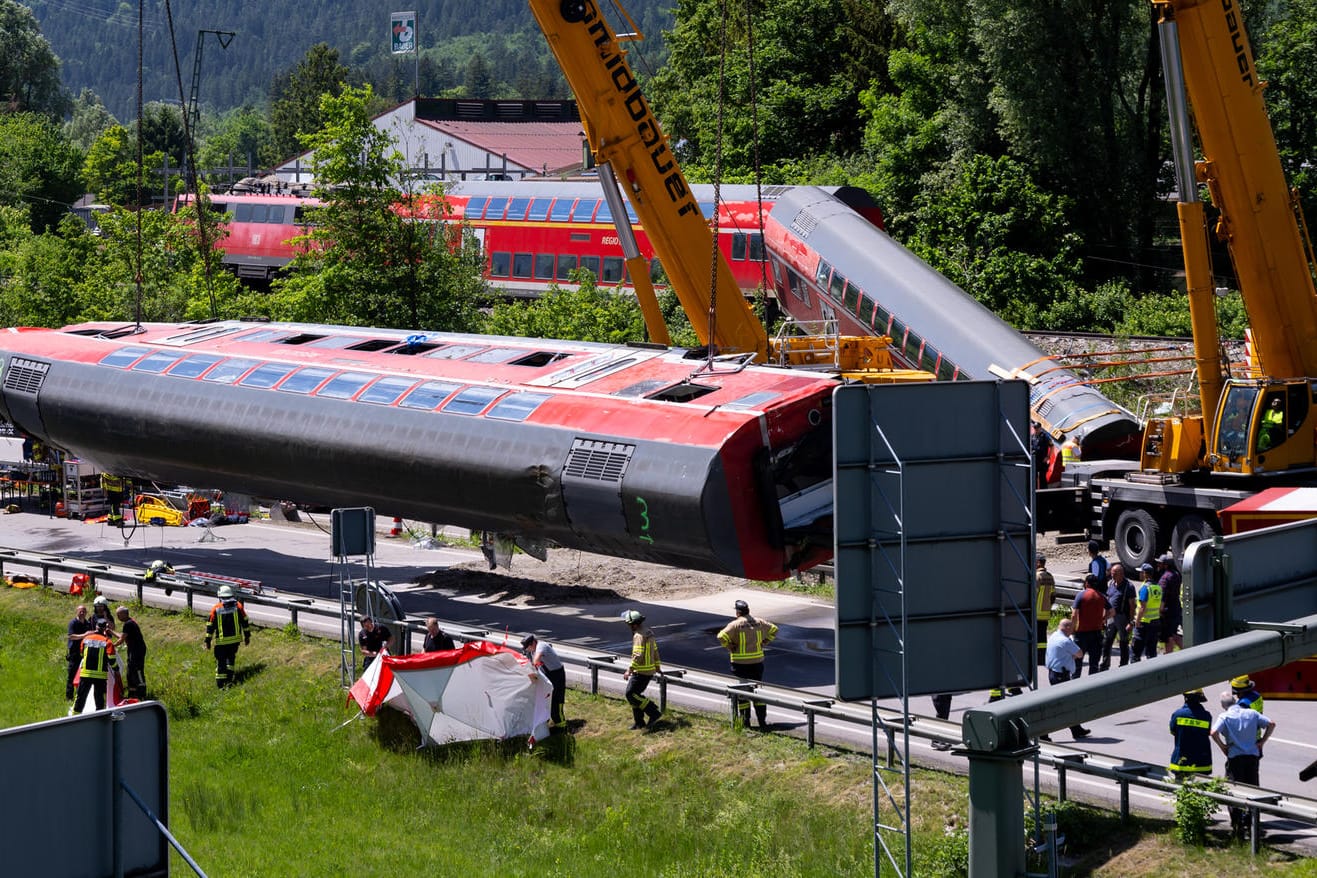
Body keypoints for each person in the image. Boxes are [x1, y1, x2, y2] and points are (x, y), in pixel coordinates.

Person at [1211, 690, 1276, 840]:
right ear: (1235, 701)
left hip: (1235, 758)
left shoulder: (1225, 716)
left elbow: (1213, 732)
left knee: (1234, 791)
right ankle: (1252, 823)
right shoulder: (1251, 713)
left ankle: (1237, 825)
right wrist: (1262, 742)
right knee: (1253, 790)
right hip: (1252, 757)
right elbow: (1271, 724)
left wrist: (1223, 747)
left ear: (1223, 705)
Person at [716, 599, 778, 730]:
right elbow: (774, 629)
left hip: (740, 663)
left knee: (743, 693)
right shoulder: (759, 622)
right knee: (757, 692)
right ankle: (762, 722)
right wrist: (765, 642)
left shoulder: (735, 624)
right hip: (757, 662)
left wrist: (730, 646)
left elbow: (721, 636)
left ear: (738, 612)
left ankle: (746, 722)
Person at [1042, 617, 1091, 741]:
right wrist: (1071, 656)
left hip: (1054, 674)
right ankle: (1042, 732)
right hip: (1061, 676)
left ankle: (1076, 729)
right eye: (1072, 627)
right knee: (1059, 706)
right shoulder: (1065, 641)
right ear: (1067, 628)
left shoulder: (1053, 636)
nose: (1073, 630)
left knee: (1067, 704)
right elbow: (1080, 654)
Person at [621, 609, 662, 730]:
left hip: (641, 671)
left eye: (628, 624)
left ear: (634, 624)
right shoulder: (649, 633)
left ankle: (653, 711)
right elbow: (655, 651)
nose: (628, 626)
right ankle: (639, 722)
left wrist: (630, 669)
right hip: (649, 671)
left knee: (630, 694)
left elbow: (638, 655)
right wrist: (657, 666)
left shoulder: (639, 635)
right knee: (635, 695)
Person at [204, 585, 251, 688]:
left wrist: (207, 641)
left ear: (220, 596)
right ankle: (229, 680)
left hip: (221, 642)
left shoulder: (216, 609)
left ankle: (221, 686)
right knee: (230, 660)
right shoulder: (238, 606)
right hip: (235, 641)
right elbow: (245, 622)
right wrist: (247, 637)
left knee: (221, 662)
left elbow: (210, 626)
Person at [71, 618, 116, 714]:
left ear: (96, 626)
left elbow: (82, 654)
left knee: (80, 696)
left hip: (86, 674)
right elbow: (112, 659)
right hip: (100, 676)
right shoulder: (107, 641)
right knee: (99, 699)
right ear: (105, 628)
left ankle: (74, 717)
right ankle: (100, 718)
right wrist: (116, 669)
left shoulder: (86, 639)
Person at [522, 634, 567, 729]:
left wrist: (533, 668)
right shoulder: (531, 651)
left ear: (533, 643)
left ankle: (562, 728)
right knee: (546, 701)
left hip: (557, 675)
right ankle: (547, 724)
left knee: (556, 703)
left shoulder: (541, 646)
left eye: (528, 647)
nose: (527, 650)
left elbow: (536, 660)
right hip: (547, 676)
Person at [1167, 689, 1212, 782]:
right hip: (1202, 765)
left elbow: (1172, 731)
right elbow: (1207, 732)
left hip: (1181, 763)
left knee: (1181, 792)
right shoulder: (1206, 716)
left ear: (1185, 698)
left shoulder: (1178, 714)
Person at [1070, 573, 1111, 677]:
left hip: (1082, 633)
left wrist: (1072, 629)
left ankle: (1075, 686)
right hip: (1096, 633)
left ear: (1087, 583)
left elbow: (1074, 614)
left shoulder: (1081, 595)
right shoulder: (1101, 596)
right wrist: (1103, 619)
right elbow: (1112, 611)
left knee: (1077, 663)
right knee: (1094, 664)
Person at [1100, 562, 1138, 670]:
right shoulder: (1111, 584)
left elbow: (1132, 606)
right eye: (1111, 573)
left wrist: (1131, 622)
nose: (1112, 575)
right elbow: (1107, 601)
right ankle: (1105, 664)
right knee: (1107, 641)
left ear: (1121, 573)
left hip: (1122, 618)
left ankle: (1123, 665)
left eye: (1114, 573)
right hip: (1111, 617)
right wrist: (1104, 618)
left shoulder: (1129, 586)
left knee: (1123, 642)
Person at [1130, 562, 1162, 662]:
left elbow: (1142, 608)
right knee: (1151, 652)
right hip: (1155, 622)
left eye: (1141, 572)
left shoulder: (1145, 588)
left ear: (1145, 574)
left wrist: (1137, 621)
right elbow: (1160, 606)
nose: (1140, 574)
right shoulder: (1158, 587)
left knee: (1136, 652)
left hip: (1143, 623)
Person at [115, 606, 147, 701]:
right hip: (133, 650)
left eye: (118, 615)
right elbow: (122, 635)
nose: (118, 617)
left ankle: (141, 693)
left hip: (137, 651)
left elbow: (121, 639)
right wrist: (111, 632)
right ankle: (132, 694)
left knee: (137, 671)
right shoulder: (129, 623)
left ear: (124, 614)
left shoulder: (128, 624)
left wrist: (112, 645)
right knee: (130, 672)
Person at [65, 604, 94, 700]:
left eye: (84, 611)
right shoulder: (73, 623)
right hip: (74, 652)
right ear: (77, 612)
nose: (82, 613)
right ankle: (69, 696)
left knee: (83, 675)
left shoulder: (88, 623)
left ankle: (81, 695)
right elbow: (71, 636)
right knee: (72, 674)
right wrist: (84, 635)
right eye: (80, 611)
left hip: (85, 652)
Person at [1157, 553, 1183, 654]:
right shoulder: (1176, 574)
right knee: (1173, 634)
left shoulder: (1164, 579)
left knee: (1169, 636)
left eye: (1160, 563)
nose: (1158, 565)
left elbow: (1162, 597)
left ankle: (1169, 657)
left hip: (1167, 612)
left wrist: (1160, 612)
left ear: (1166, 565)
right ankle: (1188, 651)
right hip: (1176, 608)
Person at [1034, 552, 1055, 666]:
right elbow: (1053, 596)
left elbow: (1033, 595)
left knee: (1036, 637)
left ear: (1038, 563)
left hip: (1036, 613)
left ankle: (1036, 659)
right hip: (1045, 613)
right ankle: (1042, 658)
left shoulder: (1037, 577)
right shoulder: (1050, 577)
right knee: (1043, 638)